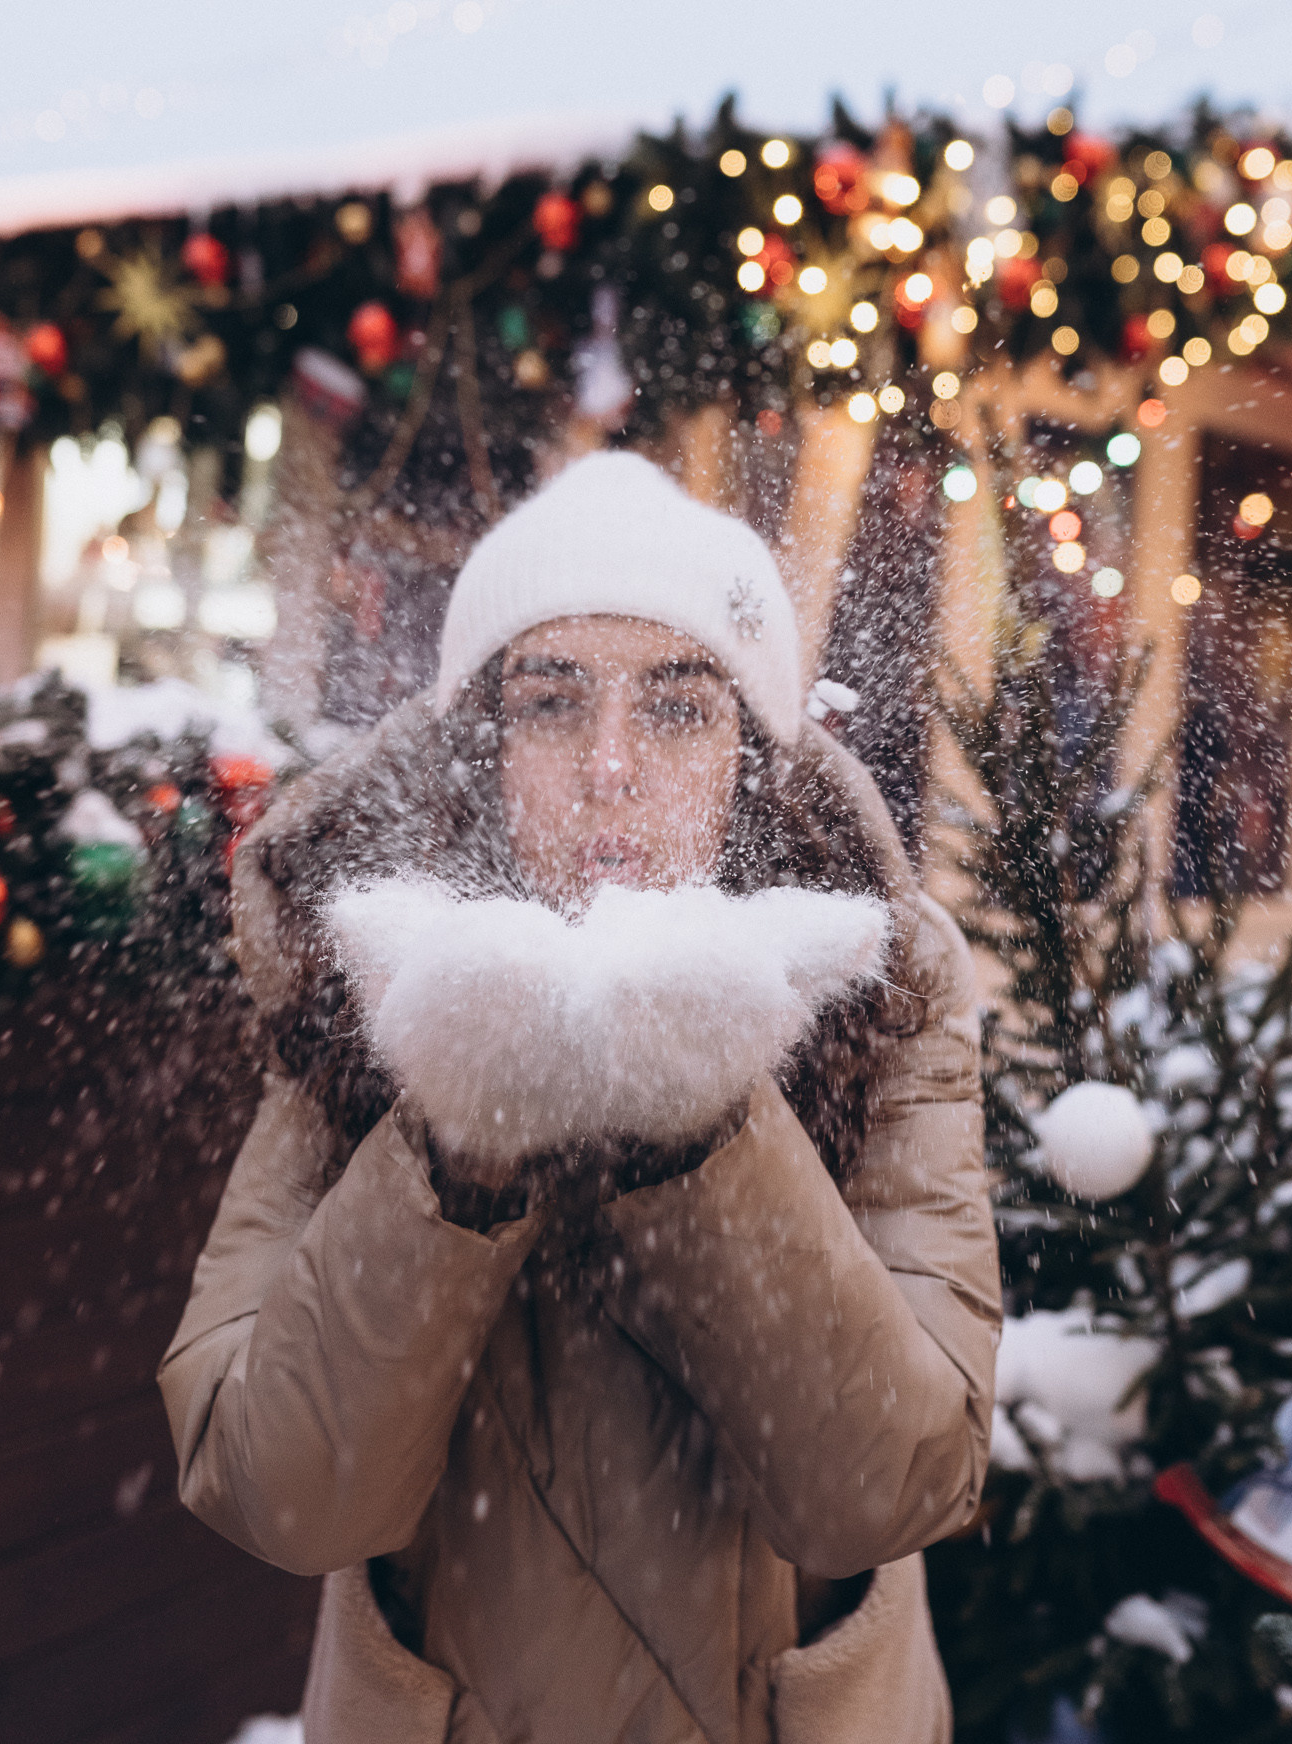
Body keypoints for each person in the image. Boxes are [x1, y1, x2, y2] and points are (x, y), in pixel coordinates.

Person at [159, 451, 1001, 1744]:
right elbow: (283, 1492)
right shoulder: (363, 979)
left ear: (749, 753)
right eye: (550, 705)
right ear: (482, 749)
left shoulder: (880, 986)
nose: (610, 767)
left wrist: (706, 1110)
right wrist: (456, 1139)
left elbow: (887, 1490)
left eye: (675, 709)